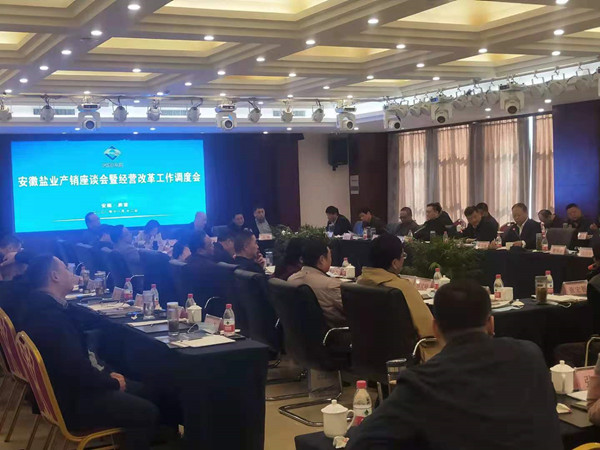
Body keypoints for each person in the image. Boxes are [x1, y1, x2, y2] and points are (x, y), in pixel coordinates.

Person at [346, 280, 562, 450]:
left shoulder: (422, 382)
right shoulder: (530, 354)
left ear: (435, 329)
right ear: (491, 323)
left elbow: (361, 443)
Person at [15, 255, 159, 450]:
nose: (71, 274)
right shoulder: (50, 319)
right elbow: (76, 369)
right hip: (73, 401)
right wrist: (111, 382)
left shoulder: (39, 306)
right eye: (66, 269)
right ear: (55, 276)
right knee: (147, 411)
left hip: (60, 394)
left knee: (148, 391)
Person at [357, 234, 441, 361]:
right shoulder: (402, 288)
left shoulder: (360, 283)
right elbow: (429, 330)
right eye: (403, 255)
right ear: (395, 263)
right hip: (409, 356)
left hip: (367, 355)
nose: (403, 259)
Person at [288, 239, 345, 327]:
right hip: (335, 333)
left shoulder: (291, 280)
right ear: (322, 260)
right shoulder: (331, 285)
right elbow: (354, 311)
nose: (331, 260)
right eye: (330, 256)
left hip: (297, 332)